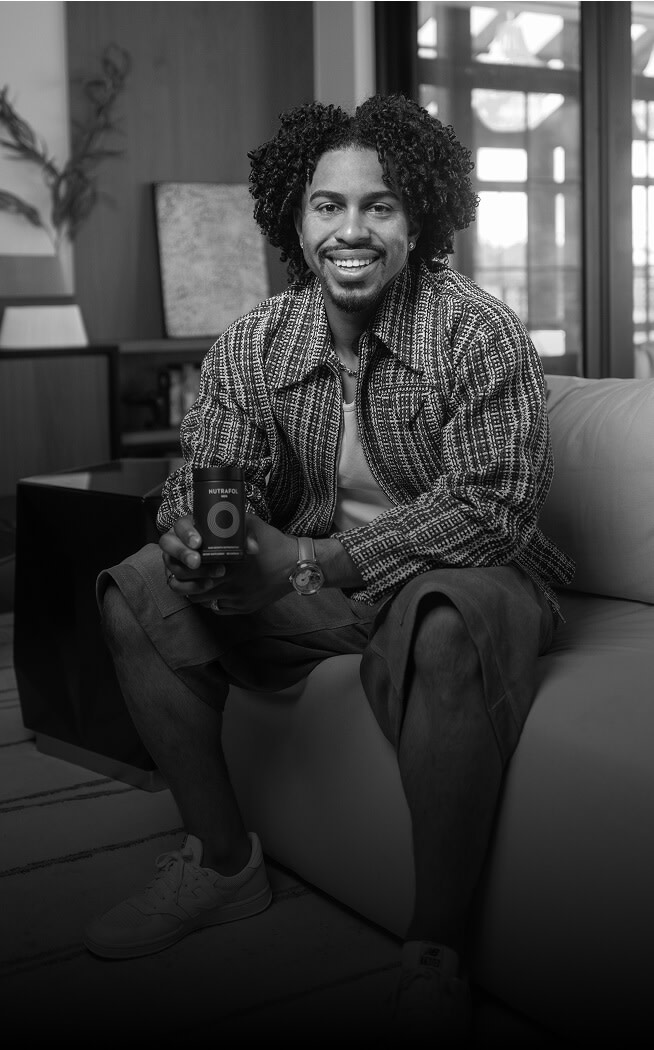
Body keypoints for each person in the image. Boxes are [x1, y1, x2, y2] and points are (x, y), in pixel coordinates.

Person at [84, 93, 574, 1039]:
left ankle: (435, 948)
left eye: (379, 206)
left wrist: (308, 561)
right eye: (327, 205)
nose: (352, 230)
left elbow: (493, 506)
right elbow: (211, 471)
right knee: (137, 588)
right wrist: (198, 532)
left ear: (418, 221)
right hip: (319, 596)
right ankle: (222, 866)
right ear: (295, 220)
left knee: (442, 618)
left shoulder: (478, 331)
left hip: (470, 578)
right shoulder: (255, 340)